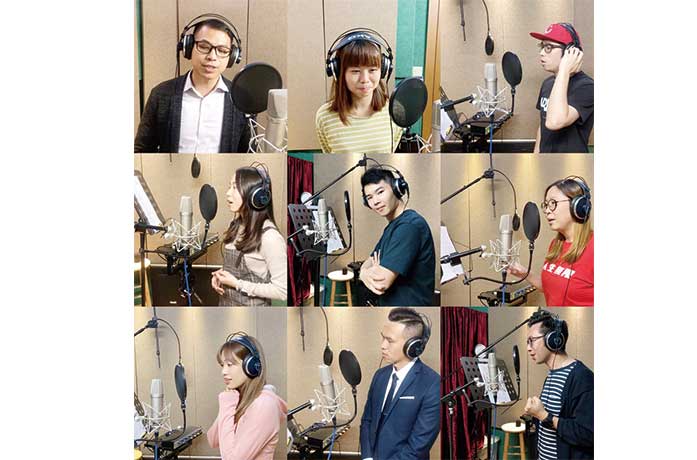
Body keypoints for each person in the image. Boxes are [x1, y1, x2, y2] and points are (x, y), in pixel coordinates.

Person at [135, 15, 250, 153]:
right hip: (172, 168)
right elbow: (141, 151)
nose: (212, 57)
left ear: (232, 57)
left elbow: (249, 154)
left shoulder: (241, 100)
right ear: (188, 47)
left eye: (222, 51)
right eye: (204, 47)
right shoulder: (161, 94)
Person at [360, 308, 440, 460]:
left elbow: (418, 447)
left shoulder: (433, 384)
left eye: (390, 340)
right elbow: (367, 421)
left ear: (413, 346)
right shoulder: (379, 376)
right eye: (382, 338)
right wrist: (367, 457)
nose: (383, 345)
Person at [509, 176, 593, 306]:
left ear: (577, 206)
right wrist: (526, 274)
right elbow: (553, 288)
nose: (547, 211)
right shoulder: (556, 245)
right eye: (546, 205)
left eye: (553, 203)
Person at [315, 29, 403, 153]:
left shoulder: (395, 111)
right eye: (355, 71)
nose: (365, 80)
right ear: (338, 72)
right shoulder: (324, 117)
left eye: (372, 70)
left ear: (383, 70)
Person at [211, 164, 286, 305]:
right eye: (229, 186)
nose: (228, 193)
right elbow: (239, 270)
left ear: (255, 196)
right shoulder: (236, 225)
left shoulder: (270, 237)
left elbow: (282, 290)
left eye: (235, 187)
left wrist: (237, 284)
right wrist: (221, 275)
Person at [358, 167, 435, 306]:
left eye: (380, 192)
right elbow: (369, 261)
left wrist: (370, 273)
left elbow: (381, 283)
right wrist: (364, 272)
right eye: (369, 197)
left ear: (397, 188)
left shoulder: (409, 226)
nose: (375, 201)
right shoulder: (394, 226)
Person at [524, 310, 594, 459]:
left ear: (553, 339)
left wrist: (544, 415)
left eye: (532, 340)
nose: (528, 348)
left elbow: (588, 434)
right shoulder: (551, 375)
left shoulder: (582, 377)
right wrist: (535, 414)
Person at [207, 333, 287, 460]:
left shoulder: (264, 404)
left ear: (251, 366)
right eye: (222, 365)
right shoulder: (238, 399)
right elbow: (213, 439)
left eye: (229, 364)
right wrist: (229, 404)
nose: (224, 372)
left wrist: (227, 403)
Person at [530, 23, 594, 153]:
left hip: (571, 163)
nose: (541, 53)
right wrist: (536, 155)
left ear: (569, 52)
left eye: (548, 47)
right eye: (542, 46)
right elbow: (543, 125)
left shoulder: (587, 87)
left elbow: (554, 122)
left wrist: (564, 68)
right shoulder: (547, 83)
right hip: (545, 161)